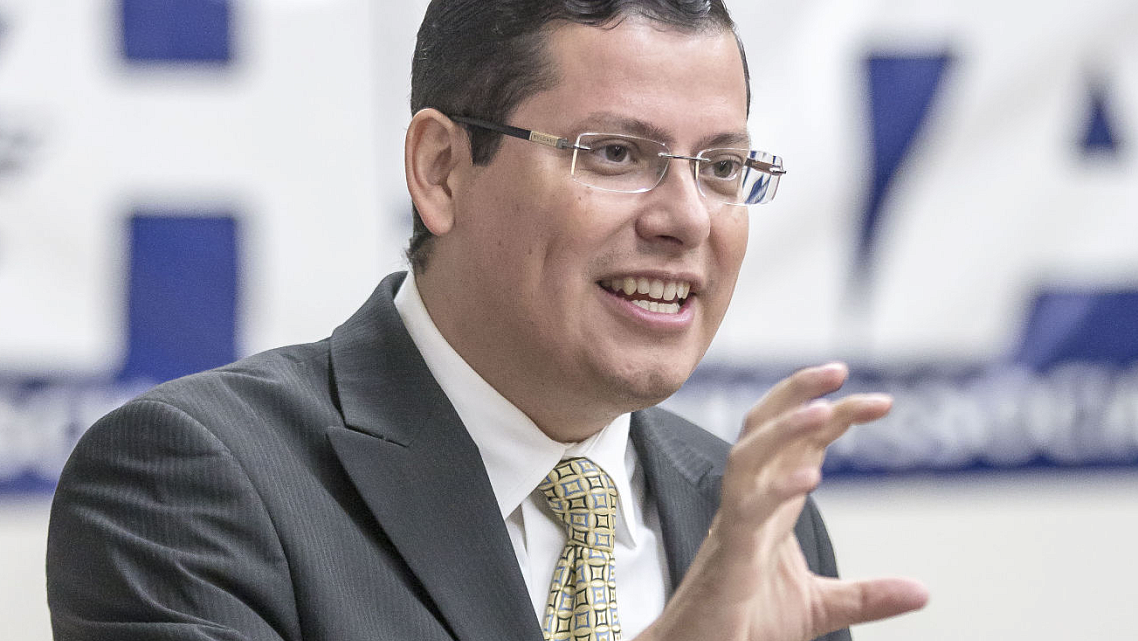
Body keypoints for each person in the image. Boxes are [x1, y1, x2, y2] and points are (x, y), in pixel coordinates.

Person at [46, 1, 928, 640]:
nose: (687, 218)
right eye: (616, 154)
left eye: (724, 165)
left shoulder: (746, 511)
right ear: (440, 168)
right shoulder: (190, 480)